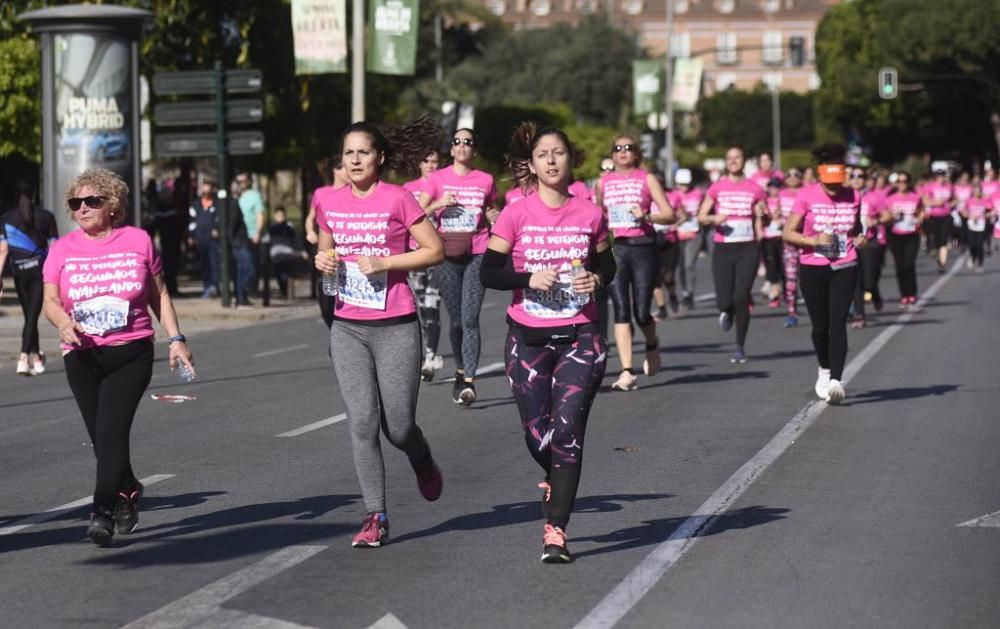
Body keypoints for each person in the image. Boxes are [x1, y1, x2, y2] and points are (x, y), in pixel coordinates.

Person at [481, 123, 615, 563]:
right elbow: (490, 272)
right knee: (538, 434)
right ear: (533, 165)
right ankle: (556, 478)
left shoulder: (590, 213)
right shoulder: (515, 212)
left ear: (570, 160)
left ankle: (555, 529)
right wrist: (527, 278)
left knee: (568, 431)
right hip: (528, 338)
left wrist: (596, 277)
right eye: (544, 154)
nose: (552, 160)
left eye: (559, 153)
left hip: (581, 335)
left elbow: (607, 263)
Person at [41, 168, 194, 546]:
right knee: (101, 438)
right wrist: (62, 323)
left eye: (91, 201)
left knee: (111, 431)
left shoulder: (138, 241)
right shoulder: (61, 249)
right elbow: (50, 300)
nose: (82, 209)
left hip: (131, 353)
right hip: (82, 356)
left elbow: (159, 294)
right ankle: (128, 488)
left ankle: (102, 511)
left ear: (112, 205)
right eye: (76, 203)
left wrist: (175, 339)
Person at [314, 118, 445, 548]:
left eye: (363, 152)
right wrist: (324, 263)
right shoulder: (325, 200)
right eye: (348, 152)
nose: (354, 160)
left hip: (395, 326)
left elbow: (434, 250)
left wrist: (386, 263)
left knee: (400, 427)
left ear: (379, 158)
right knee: (363, 422)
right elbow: (326, 248)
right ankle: (376, 515)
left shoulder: (398, 199)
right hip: (348, 326)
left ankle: (421, 458)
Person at [419, 128, 499, 406]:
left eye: (468, 142)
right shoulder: (437, 178)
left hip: (477, 251)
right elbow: (417, 212)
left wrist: (493, 216)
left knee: (469, 319)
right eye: (457, 142)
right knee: (455, 321)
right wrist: (439, 203)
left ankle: (469, 382)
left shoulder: (486, 180)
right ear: (451, 150)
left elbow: (491, 211)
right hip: (447, 256)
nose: (462, 146)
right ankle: (460, 369)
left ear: (473, 151)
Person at [594, 134, 677, 391]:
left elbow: (670, 214)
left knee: (641, 312)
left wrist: (647, 216)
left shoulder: (646, 178)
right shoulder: (602, 182)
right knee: (620, 307)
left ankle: (652, 344)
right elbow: (596, 217)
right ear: (612, 154)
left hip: (643, 248)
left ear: (636, 153)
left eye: (628, 147)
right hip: (616, 248)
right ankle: (626, 371)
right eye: (617, 148)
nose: (623, 151)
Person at [783, 145, 865, 405]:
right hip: (813, 265)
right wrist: (814, 239)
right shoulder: (806, 195)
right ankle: (824, 367)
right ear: (820, 177)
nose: (833, 191)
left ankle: (836, 381)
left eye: (836, 185)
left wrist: (862, 236)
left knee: (838, 321)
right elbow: (788, 233)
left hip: (845, 264)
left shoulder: (854, 195)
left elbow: (857, 226)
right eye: (828, 186)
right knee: (820, 327)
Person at [697, 145, 768, 363]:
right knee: (724, 300)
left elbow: (764, 218)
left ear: (744, 161)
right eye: (730, 158)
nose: (734, 161)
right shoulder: (717, 187)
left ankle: (739, 345)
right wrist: (713, 219)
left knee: (741, 297)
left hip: (748, 247)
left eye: (737, 157)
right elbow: (701, 216)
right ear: (726, 162)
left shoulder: (755, 189)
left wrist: (761, 215)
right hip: (724, 248)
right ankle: (725, 311)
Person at [0, 179, 59, 375]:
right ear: (34, 193)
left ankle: (35, 355)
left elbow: (3, 251)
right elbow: (55, 248)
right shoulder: (46, 216)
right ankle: (25, 356)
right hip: (40, 273)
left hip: (19, 272)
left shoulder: (6, 218)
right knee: (31, 316)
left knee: (30, 316)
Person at [404, 150, 445, 381]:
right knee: (419, 308)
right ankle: (421, 354)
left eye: (434, 162)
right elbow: (413, 218)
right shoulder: (409, 188)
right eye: (426, 161)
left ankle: (430, 355)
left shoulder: (446, 185)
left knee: (433, 306)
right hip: (415, 254)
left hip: (438, 256)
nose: (430, 165)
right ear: (419, 164)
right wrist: (437, 204)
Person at [307, 157, 350, 326]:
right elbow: (310, 218)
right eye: (343, 168)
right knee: (327, 304)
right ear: (335, 170)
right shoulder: (321, 193)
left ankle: (344, 335)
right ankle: (335, 330)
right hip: (327, 251)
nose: (348, 171)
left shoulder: (354, 192)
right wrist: (310, 231)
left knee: (344, 298)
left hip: (346, 253)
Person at [884, 172, 925, 307]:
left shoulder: (915, 198)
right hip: (895, 235)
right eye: (899, 181)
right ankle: (904, 295)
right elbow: (884, 217)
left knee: (909, 264)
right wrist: (891, 216)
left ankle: (912, 293)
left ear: (908, 183)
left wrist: (920, 217)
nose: (902, 184)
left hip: (911, 234)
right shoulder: (890, 199)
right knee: (900, 266)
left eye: (904, 181)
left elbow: (922, 211)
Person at [672, 168, 707, 311]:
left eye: (685, 184)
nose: (683, 187)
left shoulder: (699, 194)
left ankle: (689, 294)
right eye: (680, 184)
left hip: (694, 233)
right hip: (677, 234)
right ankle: (685, 292)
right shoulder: (673, 195)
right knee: (680, 267)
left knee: (689, 264)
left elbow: (706, 209)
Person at [188, 179, 222, 299]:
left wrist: (217, 229)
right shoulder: (196, 204)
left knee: (214, 263)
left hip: (212, 239)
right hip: (200, 238)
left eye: (208, 189)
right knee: (204, 264)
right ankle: (207, 286)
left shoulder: (217, 204)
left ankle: (215, 286)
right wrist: (192, 236)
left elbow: (219, 218)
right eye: (204, 189)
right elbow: (192, 221)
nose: (206, 192)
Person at [235, 171, 266, 299]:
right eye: (239, 181)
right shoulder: (237, 196)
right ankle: (242, 295)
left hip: (251, 235)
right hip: (239, 237)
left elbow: (260, 214)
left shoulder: (254, 196)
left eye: (243, 181)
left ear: (248, 182)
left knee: (251, 266)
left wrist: (258, 232)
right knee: (242, 267)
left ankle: (250, 290)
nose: (241, 184)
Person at [779, 167, 804, 327]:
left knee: (812, 278)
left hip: (808, 241)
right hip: (789, 242)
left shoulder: (806, 193)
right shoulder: (780, 194)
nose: (793, 177)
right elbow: (773, 212)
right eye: (789, 174)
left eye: (797, 174)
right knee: (791, 278)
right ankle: (791, 311)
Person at [266, 207, 305, 298]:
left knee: (285, 273)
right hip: (277, 254)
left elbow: (295, 241)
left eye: (282, 216)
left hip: (287, 254)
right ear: (275, 216)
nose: (280, 218)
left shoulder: (289, 228)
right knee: (280, 273)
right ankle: (285, 292)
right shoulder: (272, 228)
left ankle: (286, 292)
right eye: (278, 216)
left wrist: (301, 251)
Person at [921, 169, 954, 273]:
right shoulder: (930, 186)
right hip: (933, 216)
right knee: (936, 240)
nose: (941, 178)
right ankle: (938, 257)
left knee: (943, 240)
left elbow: (954, 199)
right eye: (939, 176)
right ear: (936, 177)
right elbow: (925, 201)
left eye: (943, 176)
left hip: (946, 216)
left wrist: (951, 204)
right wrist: (935, 203)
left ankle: (943, 264)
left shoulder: (949, 186)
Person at [761, 178, 785, 308]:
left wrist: (781, 214)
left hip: (781, 237)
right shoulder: (764, 201)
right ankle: (775, 294)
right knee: (771, 266)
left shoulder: (783, 200)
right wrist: (768, 216)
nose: (773, 190)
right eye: (771, 187)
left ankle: (787, 292)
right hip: (768, 237)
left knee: (783, 267)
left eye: (776, 187)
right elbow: (761, 218)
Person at [961, 184, 990, 273]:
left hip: (981, 225)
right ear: (973, 192)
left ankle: (980, 265)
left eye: (978, 191)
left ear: (981, 191)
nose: (977, 192)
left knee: (980, 245)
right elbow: (963, 211)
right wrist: (970, 215)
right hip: (971, 225)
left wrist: (983, 215)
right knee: (972, 245)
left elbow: (991, 211)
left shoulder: (985, 201)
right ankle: (973, 257)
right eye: (975, 191)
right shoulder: (968, 201)